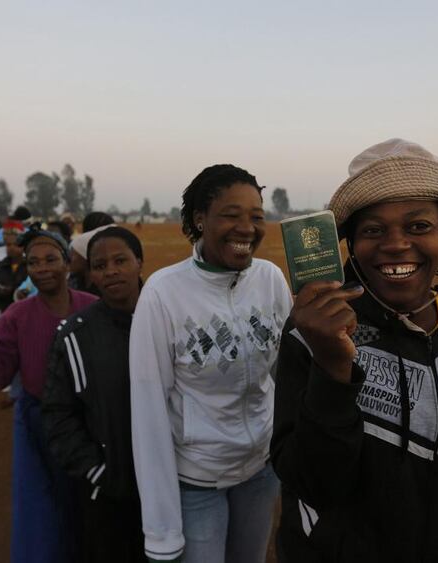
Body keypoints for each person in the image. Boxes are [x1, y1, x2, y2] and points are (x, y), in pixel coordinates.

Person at [270, 139, 438, 563]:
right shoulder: (310, 333)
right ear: (350, 246)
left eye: (419, 226)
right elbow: (312, 483)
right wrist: (332, 368)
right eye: (373, 230)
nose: (396, 244)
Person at [129, 164, 293, 563]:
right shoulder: (163, 294)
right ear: (200, 220)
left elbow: (290, 376)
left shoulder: (270, 279)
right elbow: (149, 409)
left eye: (256, 216)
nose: (247, 228)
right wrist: (162, 532)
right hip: (197, 481)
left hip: (261, 470)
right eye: (232, 215)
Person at [0, 226, 98, 563]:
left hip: (93, 428)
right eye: (34, 262)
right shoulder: (16, 317)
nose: (42, 268)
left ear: (67, 262)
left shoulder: (94, 309)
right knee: (45, 514)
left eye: (51, 259)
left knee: (91, 509)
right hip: (40, 431)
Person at [43, 227, 146, 563]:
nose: (111, 270)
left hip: (177, 483)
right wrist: (96, 470)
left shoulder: (171, 320)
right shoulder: (75, 336)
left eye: (120, 260)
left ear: (139, 263)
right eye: (100, 265)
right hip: (108, 491)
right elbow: (59, 413)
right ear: (90, 275)